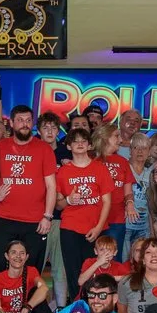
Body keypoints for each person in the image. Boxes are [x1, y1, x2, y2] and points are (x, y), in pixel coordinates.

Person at [0, 104, 58, 271]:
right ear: (11, 123)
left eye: (28, 120)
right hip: (3, 217)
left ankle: (30, 298)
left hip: (34, 220)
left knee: (31, 268)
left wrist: (47, 216)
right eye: (20, 120)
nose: (24, 124)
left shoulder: (44, 149)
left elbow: (51, 186)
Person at [52, 128, 113, 302]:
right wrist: (69, 200)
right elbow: (59, 203)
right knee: (73, 272)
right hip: (70, 227)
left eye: (83, 141)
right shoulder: (63, 172)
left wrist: (99, 227)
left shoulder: (99, 168)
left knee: (95, 270)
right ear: (69, 146)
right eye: (75, 141)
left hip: (95, 227)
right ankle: (77, 307)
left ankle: (95, 306)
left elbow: (107, 201)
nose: (79, 144)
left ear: (89, 145)